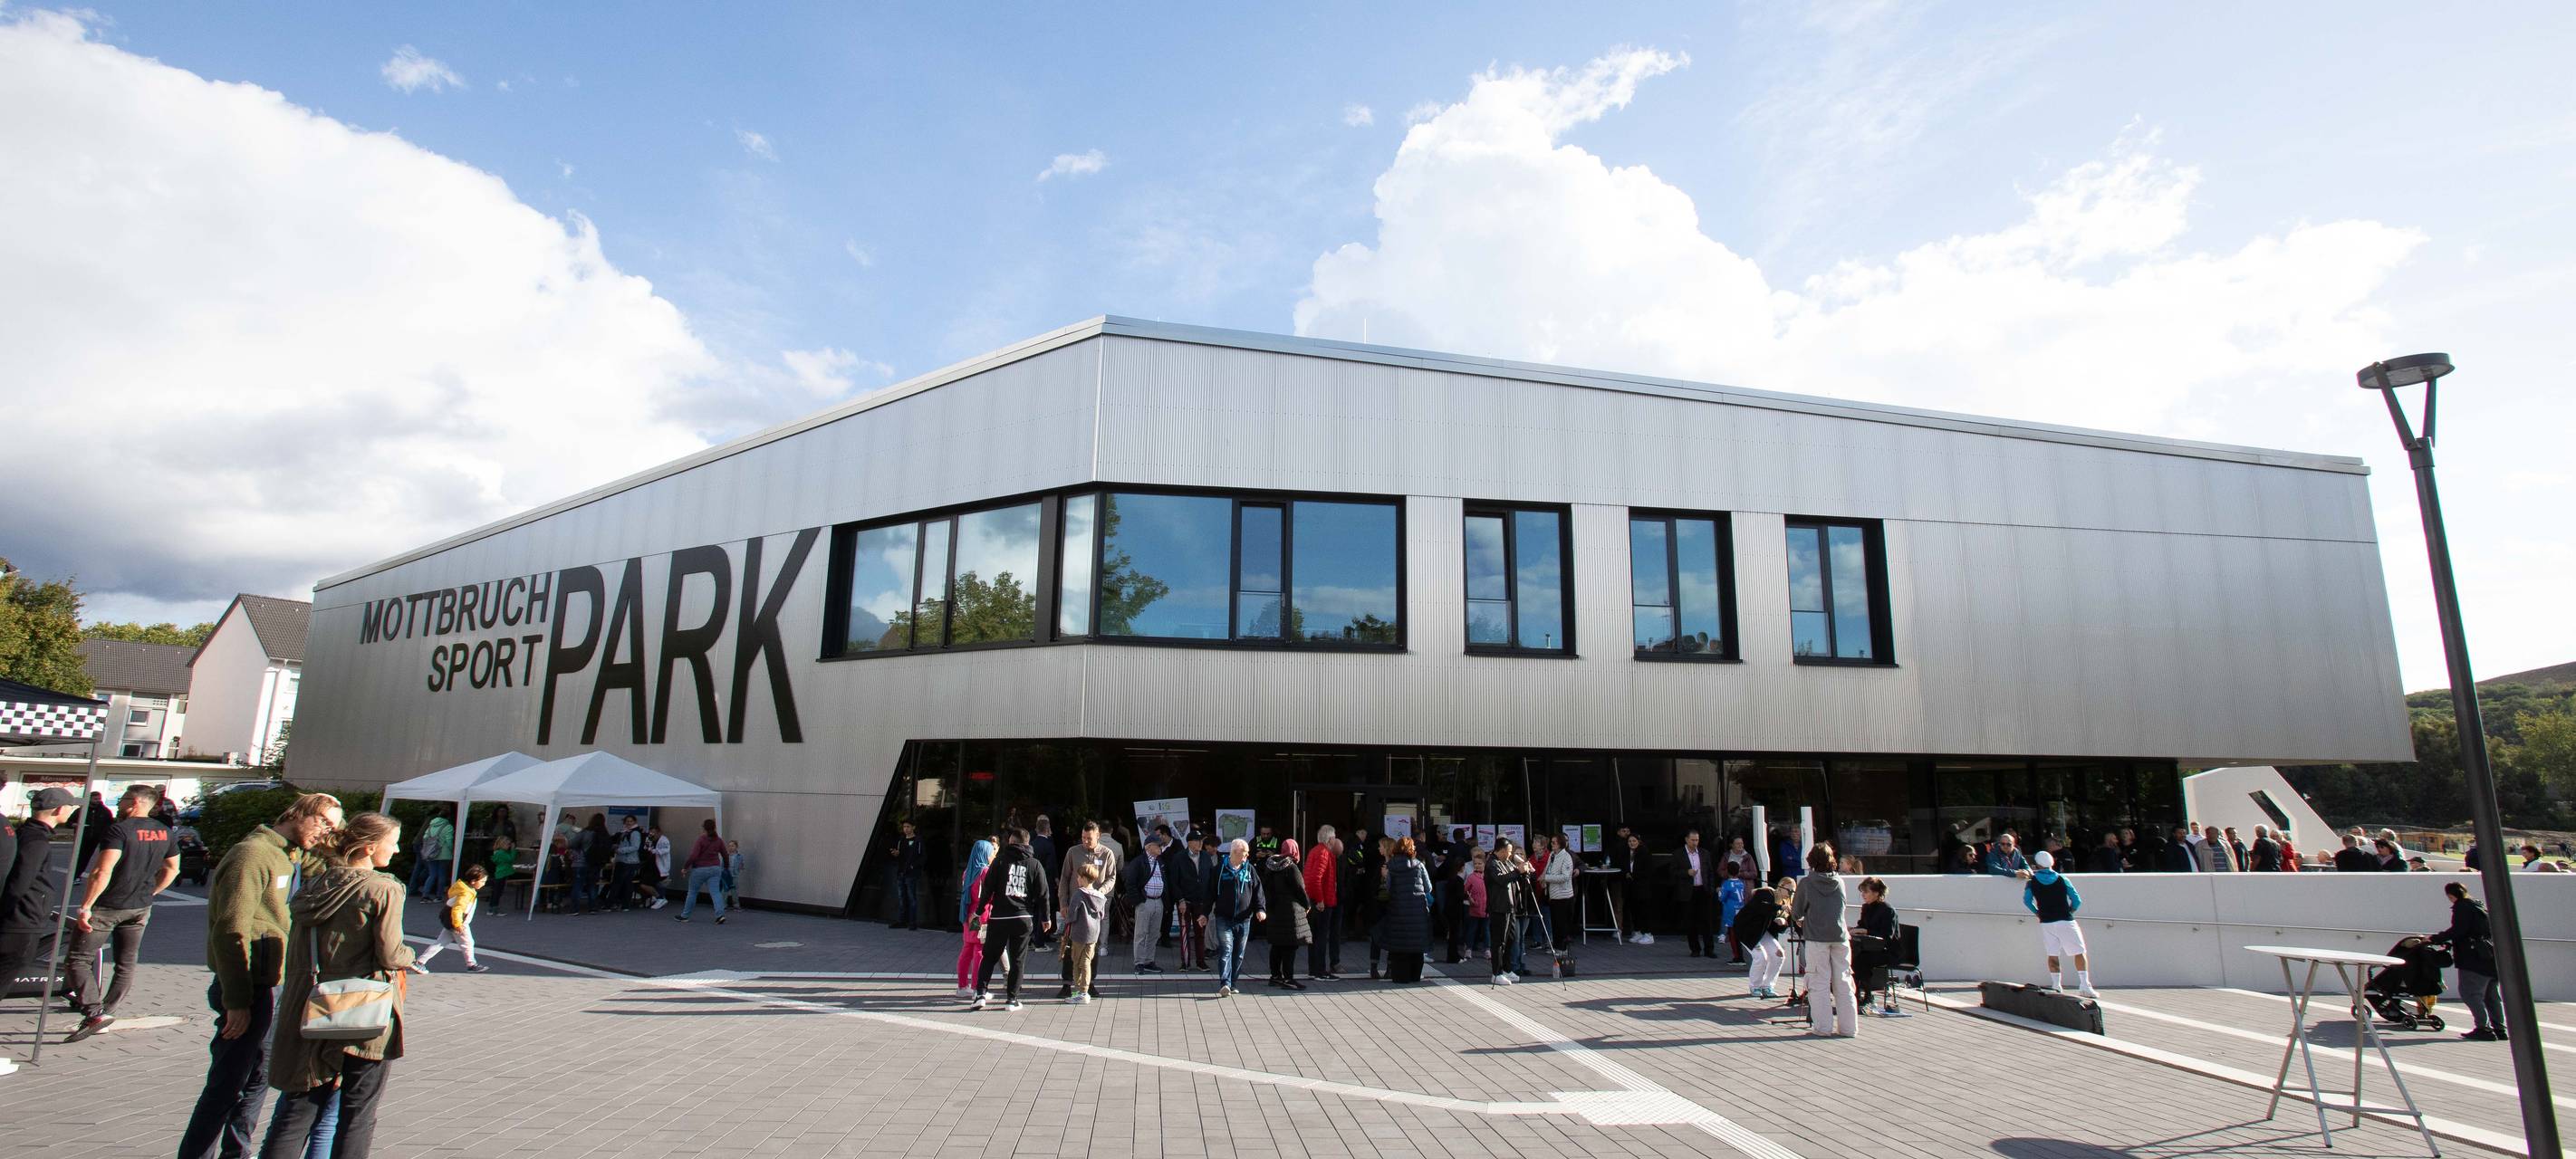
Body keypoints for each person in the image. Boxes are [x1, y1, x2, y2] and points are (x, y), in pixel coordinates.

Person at [258, 811, 413, 1159]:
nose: (398, 849)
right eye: (393, 842)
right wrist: (410, 955)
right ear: (370, 847)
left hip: (310, 1003)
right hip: (363, 1006)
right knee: (357, 1112)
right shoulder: (382, 887)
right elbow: (390, 953)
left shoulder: (313, 885)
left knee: (299, 1108)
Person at [64, 783, 179, 1040]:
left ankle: (95, 1013)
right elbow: (173, 869)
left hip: (109, 906)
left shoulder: (119, 830)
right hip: (140, 907)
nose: (118, 802)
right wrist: (152, 892)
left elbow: (101, 871)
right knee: (126, 963)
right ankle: (106, 1012)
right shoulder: (164, 831)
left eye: (123, 798)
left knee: (77, 959)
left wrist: (86, 906)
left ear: (136, 802)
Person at [0, 788, 81, 1006]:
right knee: (6, 974)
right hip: (21, 921)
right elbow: (18, 883)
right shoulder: (36, 840)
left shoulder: (24, 832)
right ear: (60, 810)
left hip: (19, 918)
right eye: (71, 807)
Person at [968, 827, 1052, 1012]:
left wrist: (979, 911)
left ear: (1011, 842)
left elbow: (987, 889)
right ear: (1028, 843)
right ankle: (1012, 1000)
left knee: (989, 956)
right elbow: (1043, 894)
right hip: (1023, 918)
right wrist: (1046, 918)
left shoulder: (999, 862)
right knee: (1017, 960)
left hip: (999, 917)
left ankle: (980, 994)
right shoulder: (1034, 864)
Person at [1789, 846, 1856, 1037]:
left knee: (1818, 982)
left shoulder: (1807, 883)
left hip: (1817, 938)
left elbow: (1797, 913)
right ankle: (1849, 1029)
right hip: (1840, 937)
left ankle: (1823, 1027)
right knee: (1843, 982)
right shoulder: (1839, 882)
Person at [2426, 881, 2504, 1040]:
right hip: (2490, 954)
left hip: (2473, 957)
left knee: (2470, 993)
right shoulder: (2479, 905)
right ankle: (2499, 1029)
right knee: (2491, 994)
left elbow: (2459, 930)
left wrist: (2435, 938)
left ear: (2451, 896)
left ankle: (2483, 1028)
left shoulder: (2462, 907)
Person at [1054, 821, 1117, 1000]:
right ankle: (1067, 983)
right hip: (1075, 905)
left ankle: (1090, 983)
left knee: (1092, 945)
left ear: (1098, 836)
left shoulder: (1107, 854)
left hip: (1095, 907)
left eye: (1089, 838)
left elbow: (1112, 878)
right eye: (1083, 838)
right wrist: (1063, 903)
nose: (1086, 842)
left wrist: (1100, 892)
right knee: (1069, 944)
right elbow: (1065, 878)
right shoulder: (1073, 852)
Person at [2021, 850, 2096, 997]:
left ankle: (2056, 985)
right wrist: (2070, 911)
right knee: (2079, 952)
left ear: (2037, 865)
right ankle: (2084, 985)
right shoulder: (2062, 879)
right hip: (2065, 920)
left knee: (2052, 953)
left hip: (2046, 922)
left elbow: (2026, 900)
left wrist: (2037, 912)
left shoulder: (2032, 882)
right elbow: (2077, 900)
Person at [1203, 838, 1265, 997]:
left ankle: (1233, 982)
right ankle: (1225, 983)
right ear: (1235, 853)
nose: (1247, 856)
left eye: (1247, 854)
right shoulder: (1220, 870)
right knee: (1226, 950)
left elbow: (1258, 891)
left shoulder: (1250, 870)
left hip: (1244, 919)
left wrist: (1260, 909)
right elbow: (1210, 893)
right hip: (1223, 918)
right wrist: (1204, 913)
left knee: (1238, 953)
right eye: (1244, 853)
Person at [415, 865, 488, 973]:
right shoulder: (466, 893)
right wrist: (458, 924)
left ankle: (420, 962)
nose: (483, 884)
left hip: (450, 921)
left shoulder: (461, 888)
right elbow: (458, 909)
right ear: (473, 881)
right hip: (459, 923)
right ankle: (471, 964)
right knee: (468, 942)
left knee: (440, 943)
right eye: (482, 881)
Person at [1259, 838, 1312, 989]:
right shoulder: (1291, 867)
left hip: (1274, 911)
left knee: (1276, 945)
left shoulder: (1270, 866)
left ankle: (1275, 976)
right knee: (1290, 946)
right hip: (1290, 911)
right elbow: (1300, 889)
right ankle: (1289, 979)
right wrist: (1307, 904)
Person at [1380, 837, 1433, 982]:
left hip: (1398, 911)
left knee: (1399, 946)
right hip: (1418, 912)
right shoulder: (1419, 865)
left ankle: (1400, 976)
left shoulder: (1391, 866)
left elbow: (1389, 888)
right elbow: (1429, 888)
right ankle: (1415, 975)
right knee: (1417, 946)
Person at [1061, 863, 1110, 1004]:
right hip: (1094, 933)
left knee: (1077, 962)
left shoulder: (1079, 894)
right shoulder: (1100, 896)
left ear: (1083, 878)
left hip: (1079, 933)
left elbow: (1071, 914)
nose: (1077, 879)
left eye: (1078, 877)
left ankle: (1080, 991)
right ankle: (1085, 990)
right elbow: (1101, 915)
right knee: (1087, 961)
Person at [1121, 837, 1171, 973]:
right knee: (1141, 933)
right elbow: (1130, 883)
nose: (1161, 847)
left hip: (1158, 901)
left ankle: (1149, 961)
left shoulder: (1160, 862)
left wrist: (1165, 901)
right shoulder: (1138, 862)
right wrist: (1138, 901)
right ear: (1148, 847)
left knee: (1154, 933)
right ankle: (1139, 962)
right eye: (1158, 845)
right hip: (1145, 901)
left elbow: (1165, 882)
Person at [1485, 838, 1531, 984]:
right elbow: (1501, 880)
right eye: (1509, 851)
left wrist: (1523, 872)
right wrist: (1518, 871)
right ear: (1503, 850)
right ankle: (1496, 972)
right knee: (1499, 941)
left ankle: (1506, 969)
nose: (1511, 854)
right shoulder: (1492, 863)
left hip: (1510, 906)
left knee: (1510, 939)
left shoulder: (1506, 862)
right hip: (1498, 907)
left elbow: (1514, 876)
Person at [954, 835, 994, 999]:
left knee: (967, 949)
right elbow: (989, 896)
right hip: (981, 915)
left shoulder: (967, 871)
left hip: (967, 914)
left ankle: (962, 986)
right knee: (980, 950)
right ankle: (977, 988)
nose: (992, 856)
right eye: (990, 853)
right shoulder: (985, 872)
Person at [1733, 885, 1788, 1000]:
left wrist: (1782, 922)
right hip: (1747, 930)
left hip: (1762, 932)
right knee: (1760, 956)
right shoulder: (1766, 894)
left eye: (1793, 890)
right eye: (1789, 889)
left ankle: (1767, 986)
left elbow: (1774, 927)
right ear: (1781, 886)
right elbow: (1760, 907)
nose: (1790, 892)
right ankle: (1755, 986)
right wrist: (1780, 907)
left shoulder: (1783, 905)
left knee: (1779, 954)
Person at [1670, 829, 1720, 958]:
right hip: (1688, 891)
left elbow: (1710, 872)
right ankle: (1695, 949)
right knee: (1690, 921)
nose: (1695, 843)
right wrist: (1686, 873)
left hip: (1703, 890)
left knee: (1706, 921)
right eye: (1692, 840)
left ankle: (1709, 949)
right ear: (1686, 840)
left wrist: (1711, 888)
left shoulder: (1704, 853)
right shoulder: (1678, 854)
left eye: (1697, 840)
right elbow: (1672, 872)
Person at [1302, 827, 1341, 981]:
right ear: (1330, 839)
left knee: (1315, 936)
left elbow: (1310, 877)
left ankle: (1314, 969)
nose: (1335, 840)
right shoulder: (1324, 853)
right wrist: (1320, 900)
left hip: (1316, 899)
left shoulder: (1315, 851)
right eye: (1334, 837)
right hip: (1322, 901)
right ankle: (1320, 970)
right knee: (1320, 936)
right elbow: (1316, 878)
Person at [675, 819, 730, 924]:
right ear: (715, 828)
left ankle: (685, 915)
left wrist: (685, 867)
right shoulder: (719, 840)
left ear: (703, 828)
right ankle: (720, 915)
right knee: (715, 893)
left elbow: (693, 856)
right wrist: (726, 867)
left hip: (699, 869)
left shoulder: (701, 839)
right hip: (715, 869)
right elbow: (725, 855)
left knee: (692, 892)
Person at [1180, 832, 1219, 971]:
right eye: (1197, 841)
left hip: (1202, 902)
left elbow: (1211, 878)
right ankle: (1185, 962)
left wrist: (1211, 898)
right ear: (1189, 842)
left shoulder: (1205, 857)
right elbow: (1175, 880)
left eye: (1201, 842)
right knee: (1185, 932)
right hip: (1185, 901)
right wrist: (1180, 900)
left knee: (1200, 933)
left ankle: (1201, 961)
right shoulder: (1180, 857)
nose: (1200, 844)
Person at [1541, 834, 1577, 952]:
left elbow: (1565, 877)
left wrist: (1547, 878)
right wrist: (1543, 878)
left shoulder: (1566, 857)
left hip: (1564, 896)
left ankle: (1563, 949)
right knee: (1555, 922)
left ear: (1560, 844)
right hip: (1554, 895)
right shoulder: (1552, 855)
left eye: (1554, 842)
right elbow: (1548, 869)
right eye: (1551, 842)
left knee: (1562, 924)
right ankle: (1557, 947)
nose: (1552, 844)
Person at [889, 820, 926, 930]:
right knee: (901, 898)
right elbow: (901, 856)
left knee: (911, 898)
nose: (905, 829)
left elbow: (923, 857)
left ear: (913, 827)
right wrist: (896, 854)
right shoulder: (901, 840)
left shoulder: (918, 841)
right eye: (904, 827)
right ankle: (901, 921)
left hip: (911, 874)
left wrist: (913, 866)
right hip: (901, 872)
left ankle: (912, 923)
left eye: (908, 826)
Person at [1617, 833, 1653, 944]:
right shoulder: (1626, 853)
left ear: (1639, 842)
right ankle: (1638, 932)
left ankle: (1648, 934)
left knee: (1644, 910)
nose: (1632, 843)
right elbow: (1623, 867)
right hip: (1630, 887)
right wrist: (1626, 873)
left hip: (1642, 886)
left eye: (1634, 841)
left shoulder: (1645, 853)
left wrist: (1633, 875)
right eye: (1630, 841)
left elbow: (1648, 870)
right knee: (1634, 910)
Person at [409, 812, 453, 900]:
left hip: (431, 853)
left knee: (432, 875)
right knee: (442, 875)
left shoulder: (431, 826)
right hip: (444, 854)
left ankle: (425, 894)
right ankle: (439, 895)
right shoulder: (448, 827)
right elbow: (449, 841)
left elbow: (425, 838)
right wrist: (451, 851)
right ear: (447, 817)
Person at [606, 816, 646, 912]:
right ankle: (625, 905)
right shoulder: (626, 832)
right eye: (627, 821)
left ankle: (610, 904)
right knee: (626, 883)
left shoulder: (635, 833)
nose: (629, 823)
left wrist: (620, 850)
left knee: (619, 883)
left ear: (634, 822)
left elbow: (635, 847)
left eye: (631, 821)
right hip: (625, 860)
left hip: (628, 861)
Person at [636, 825, 673, 911]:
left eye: (654, 833)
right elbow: (645, 849)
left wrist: (654, 851)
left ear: (659, 832)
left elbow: (665, 850)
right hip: (649, 867)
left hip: (660, 869)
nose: (652, 834)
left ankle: (660, 898)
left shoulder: (664, 840)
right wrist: (648, 841)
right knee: (639, 881)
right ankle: (651, 898)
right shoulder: (649, 839)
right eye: (651, 832)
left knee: (644, 884)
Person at [1463, 848, 1491, 960]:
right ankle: (1469, 949)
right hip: (1474, 908)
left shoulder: (1488, 876)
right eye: (1475, 864)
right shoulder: (1471, 877)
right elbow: (1465, 891)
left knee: (1486, 930)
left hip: (1486, 908)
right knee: (1472, 929)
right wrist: (1469, 898)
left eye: (1480, 863)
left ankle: (1487, 949)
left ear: (1485, 864)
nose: (1478, 866)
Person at [1720, 868, 1750, 965]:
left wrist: (1719, 892)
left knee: (1733, 935)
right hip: (1741, 908)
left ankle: (1738, 958)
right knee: (1740, 933)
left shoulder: (1727, 883)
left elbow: (1722, 897)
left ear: (1728, 872)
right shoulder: (1741, 883)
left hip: (1731, 910)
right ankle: (1740, 956)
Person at [485, 833, 519, 916]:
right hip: (502, 874)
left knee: (496, 892)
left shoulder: (499, 852)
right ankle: (495, 908)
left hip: (500, 873)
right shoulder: (501, 853)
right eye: (508, 844)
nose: (509, 846)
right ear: (502, 844)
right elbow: (510, 859)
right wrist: (513, 850)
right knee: (498, 892)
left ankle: (491, 908)